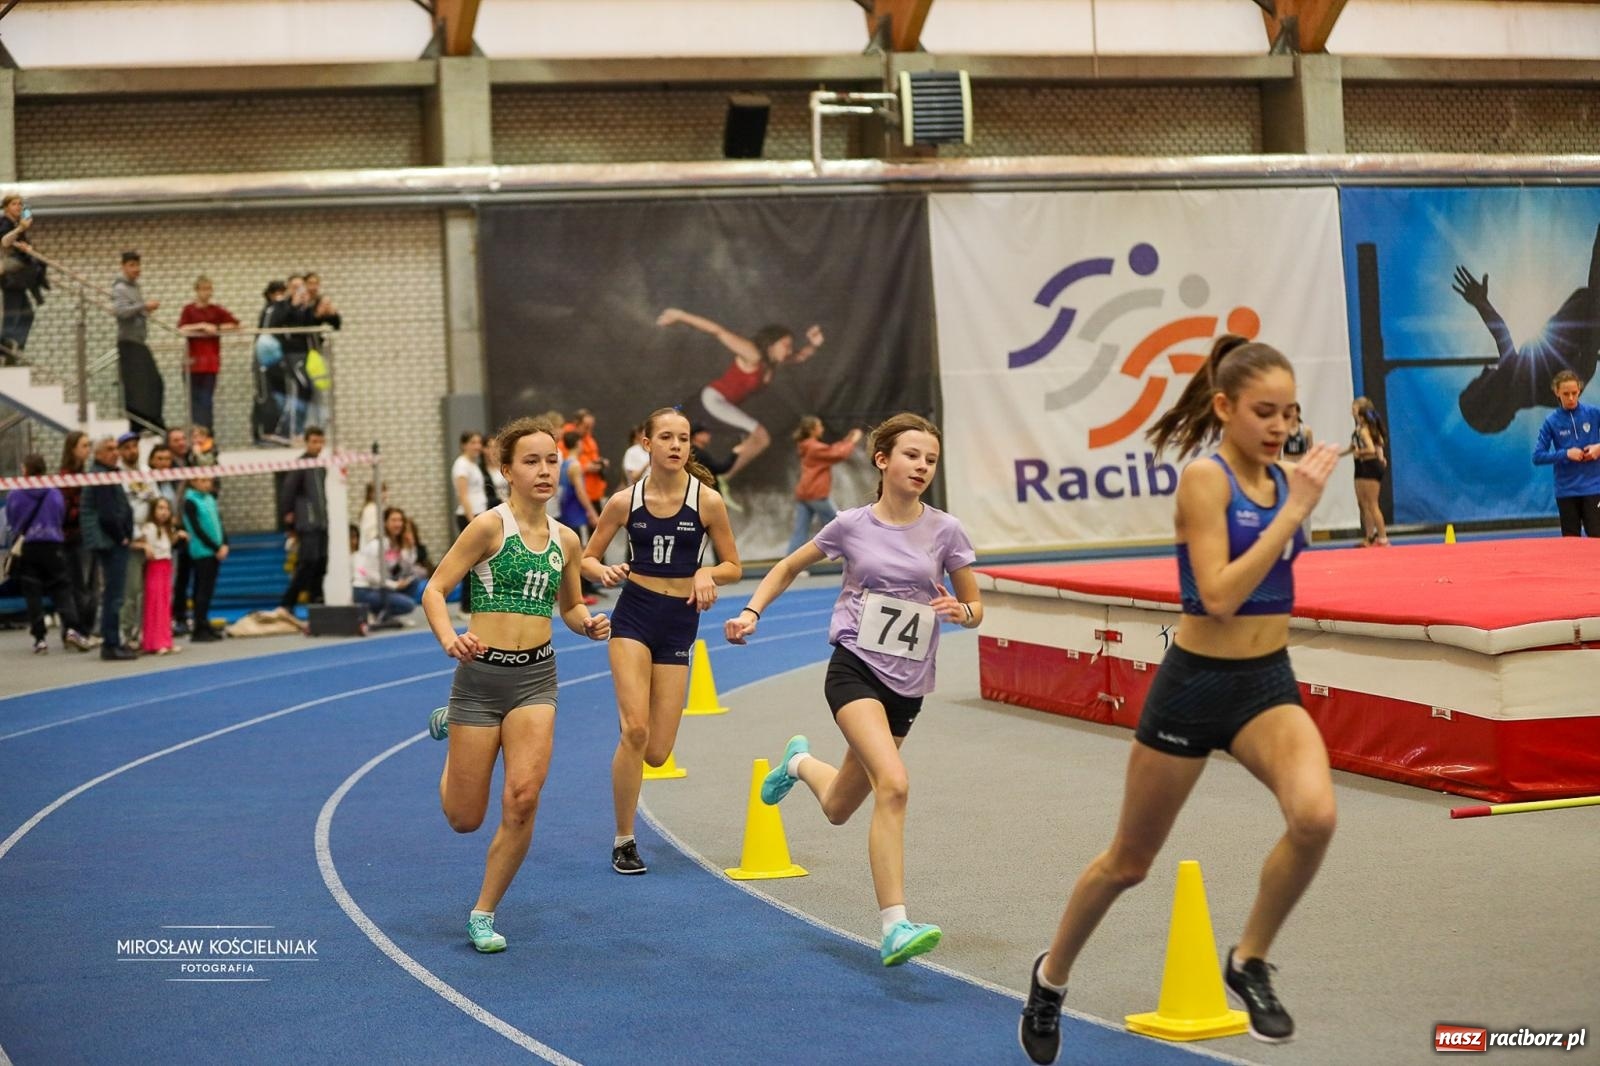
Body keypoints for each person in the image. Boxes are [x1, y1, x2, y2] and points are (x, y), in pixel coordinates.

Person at [1017, 336, 1342, 1064]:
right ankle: (1051, 977)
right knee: (1129, 863)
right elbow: (1219, 595)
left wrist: (1293, 499)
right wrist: (1295, 512)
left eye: (1289, 413)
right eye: (1263, 411)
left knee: (1315, 817)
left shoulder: (1285, 479)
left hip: (1266, 684)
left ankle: (1249, 960)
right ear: (1224, 407)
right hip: (1194, 685)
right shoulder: (1207, 478)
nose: (1279, 426)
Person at [725, 413, 979, 967]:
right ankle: (894, 925)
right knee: (894, 784)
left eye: (931, 459)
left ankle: (796, 765)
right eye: (912, 455)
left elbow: (975, 607)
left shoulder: (947, 531)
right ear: (882, 459)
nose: (922, 466)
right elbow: (788, 566)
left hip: (908, 684)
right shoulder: (850, 524)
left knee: (840, 805)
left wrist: (962, 610)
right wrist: (750, 610)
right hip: (855, 668)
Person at [421, 416, 610, 953]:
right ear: (506, 470)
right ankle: (451, 732)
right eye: (532, 461)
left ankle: (484, 911)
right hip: (479, 682)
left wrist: (587, 624)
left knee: (523, 798)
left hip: (536, 679)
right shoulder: (487, 527)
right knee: (464, 818)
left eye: (552, 460)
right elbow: (435, 590)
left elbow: (571, 606)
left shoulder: (567, 539)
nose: (546, 470)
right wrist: (449, 639)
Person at [581, 407, 741, 875]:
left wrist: (707, 572)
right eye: (666, 437)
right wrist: (604, 569)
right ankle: (624, 838)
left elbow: (732, 564)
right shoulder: (623, 502)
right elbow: (588, 558)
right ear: (646, 443)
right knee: (634, 729)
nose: (676, 446)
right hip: (633, 616)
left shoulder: (707, 501)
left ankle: (628, 806)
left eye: (684, 438)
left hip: (679, 623)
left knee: (657, 750)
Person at [1453, 226, 1600, 435]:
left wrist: (1481, 303)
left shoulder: (1518, 374)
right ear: (1491, 397)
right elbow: (1586, 367)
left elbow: (1500, 334)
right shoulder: (1545, 391)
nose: (1485, 369)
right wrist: (1595, 310)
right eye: (1479, 381)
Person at [656, 307, 825, 481]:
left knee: (688, 444)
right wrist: (681, 316)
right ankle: (720, 480)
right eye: (786, 345)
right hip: (713, 400)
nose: (789, 350)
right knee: (760, 437)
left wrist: (814, 345)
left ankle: (711, 481)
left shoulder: (772, 363)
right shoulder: (752, 354)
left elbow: (800, 356)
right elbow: (718, 331)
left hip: (719, 407)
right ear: (771, 343)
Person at [4, 453, 93, 653]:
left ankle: (40, 639)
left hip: (28, 546)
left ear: (25, 469)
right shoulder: (54, 492)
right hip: (52, 545)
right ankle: (71, 628)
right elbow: (60, 515)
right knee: (61, 588)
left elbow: (11, 520)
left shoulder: (15, 493)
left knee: (32, 592)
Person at [81, 435, 138, 660]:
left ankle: (113, 641)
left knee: (114, 594)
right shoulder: (100, 476)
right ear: (98, 454)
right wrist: (122, 537)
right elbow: (107, 514)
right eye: (110, 449)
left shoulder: (107, 474)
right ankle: (111, 644)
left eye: (116, 449)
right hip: (110, 542)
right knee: (114, 595)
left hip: (110, 540)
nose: (116, 452)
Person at [1532, 369, 1600, 536]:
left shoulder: (1593, 414)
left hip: (1594, 488)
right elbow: (1537, 456)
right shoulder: (1551, 421)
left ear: (1579, 391)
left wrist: (1599, 447)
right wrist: (1565, 454)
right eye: (1566, 394)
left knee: (1597, 538)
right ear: (1557, 392)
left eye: (1575, 393)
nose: (1571, 398)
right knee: (1571, 544)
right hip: (1566, 491)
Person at [786, 416, 863, 557]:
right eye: (819, 426)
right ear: (812, 430)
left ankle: (790, 567)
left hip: (805, 494)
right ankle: (858, 558)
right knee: (840, 526)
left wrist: (846, 440)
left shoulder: (807, 446)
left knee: (800, 531)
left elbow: (831, 449)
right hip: (815, 494)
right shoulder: (814, 447)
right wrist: (852, 441)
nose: (822, 428)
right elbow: (838, 454)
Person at [176, 276, 240, 435]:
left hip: (210, 363)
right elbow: (181, 329)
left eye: (209, 289)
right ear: (196, 290)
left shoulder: (216, 310)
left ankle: (207, 435)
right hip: (192, 363)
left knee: (206, 401)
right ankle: (195, 434)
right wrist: (201, 326)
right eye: (203, 289)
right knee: (193, 402)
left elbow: (235, 325)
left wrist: (216, 327)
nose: (206, 292)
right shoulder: (189, 310)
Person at [111, 251, 165, 434]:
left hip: (139, 341)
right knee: (138, 387)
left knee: (153, 383)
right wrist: (144, 307)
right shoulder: (120, 288)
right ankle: (140, 425)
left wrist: (143, 311)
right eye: (132, 265)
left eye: (138, 265)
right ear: (124, 266)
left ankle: (148, 422)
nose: (137, 269)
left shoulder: (135, 287)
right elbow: (120, 312)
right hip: (128, 342)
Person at [277, 427, 329, 616]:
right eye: (314, 442)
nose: (318, 446)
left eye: (321, 442)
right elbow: (288, 492)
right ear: (307, 442)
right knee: (307, 562)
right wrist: (289, 522)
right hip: (307, 524)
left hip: (322, 523)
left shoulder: (321, 466)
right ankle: (287, 603)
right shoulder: (300, 465)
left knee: (322, 562)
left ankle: (317, 600)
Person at [57, 430, 96, 635]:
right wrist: (84, 508)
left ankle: (84, 628)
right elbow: (65, 510)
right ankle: (77, 630)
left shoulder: (85, 475)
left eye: (89, 445)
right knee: (78, 586)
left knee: (89, 587)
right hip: (73, 537)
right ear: (72, 449)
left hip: (88, 535)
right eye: (84, 446)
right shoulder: (66, 477)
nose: (88, 450)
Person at [559, 429, 603, 604]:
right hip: (577, 516)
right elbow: (580, 491)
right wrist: (592, 512)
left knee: (572, 555)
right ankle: (579, 594)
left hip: (567, 513)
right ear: (578, 444)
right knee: (582, 555)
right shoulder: (575, 465)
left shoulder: (563, 463)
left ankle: (572, 592)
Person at [182, 473, 227, 642]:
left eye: (208, 480)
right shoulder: (190, 501)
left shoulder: (210, 498)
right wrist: (215, 547)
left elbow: (219, 522)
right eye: (202, 480)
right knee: (201, 590)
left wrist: (225, 543)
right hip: (202, 551)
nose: (207, 484)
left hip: (216, 550)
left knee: (208, 590)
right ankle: (198, 627)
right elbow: (197, 529)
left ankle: (204, 622)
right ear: (192, 481)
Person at [1, 193, 45, 363]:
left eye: (20, 204)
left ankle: (15, 347)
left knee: (27, 314)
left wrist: (25, 245)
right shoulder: (5, 223)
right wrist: (21, 229)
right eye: (14, 204)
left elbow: (15, 245)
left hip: (18, 277)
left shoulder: (15, 224)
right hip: (10, 277)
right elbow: (4, 241)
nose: (18, 207)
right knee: (13, 314)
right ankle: (7, 348)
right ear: (6, 207)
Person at [139, 496, 183, 655]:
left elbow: (167, 545)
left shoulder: (167, 529)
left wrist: (178, 535)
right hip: (155, 567)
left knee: (165, 604)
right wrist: (143, 545)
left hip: (166, 566)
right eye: (160, 508)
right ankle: (154, 642)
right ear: (153, 511)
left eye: (166, 509)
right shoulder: (149, 527)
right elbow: (141, 542)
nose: (164, 512)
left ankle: (166, 640)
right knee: (155, 604)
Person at [452, 431, 488, 615]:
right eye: (473, 442)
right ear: (463, 444)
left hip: (479, 514)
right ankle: (465, 605)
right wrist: (472, 520)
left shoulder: (473, 465)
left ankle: (477, 602)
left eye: (479, 442)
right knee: (469, 560)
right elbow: (463, 494)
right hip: (469, 516)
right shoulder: (461, 466)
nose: (477, 446)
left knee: (481, 561)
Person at [1349, 396, 1389, 546]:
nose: (1351, 411)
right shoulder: (1361, 428)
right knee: (1364, 503)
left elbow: (1376, 445)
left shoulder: (1368, 428)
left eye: (1354, 408)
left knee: (1372, 504)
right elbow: (1376, 443)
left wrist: (1377, 456)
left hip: (1370, 465)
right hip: (1363, 465)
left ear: (1361, 411)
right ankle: (1370, 536)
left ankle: (1383, 538)